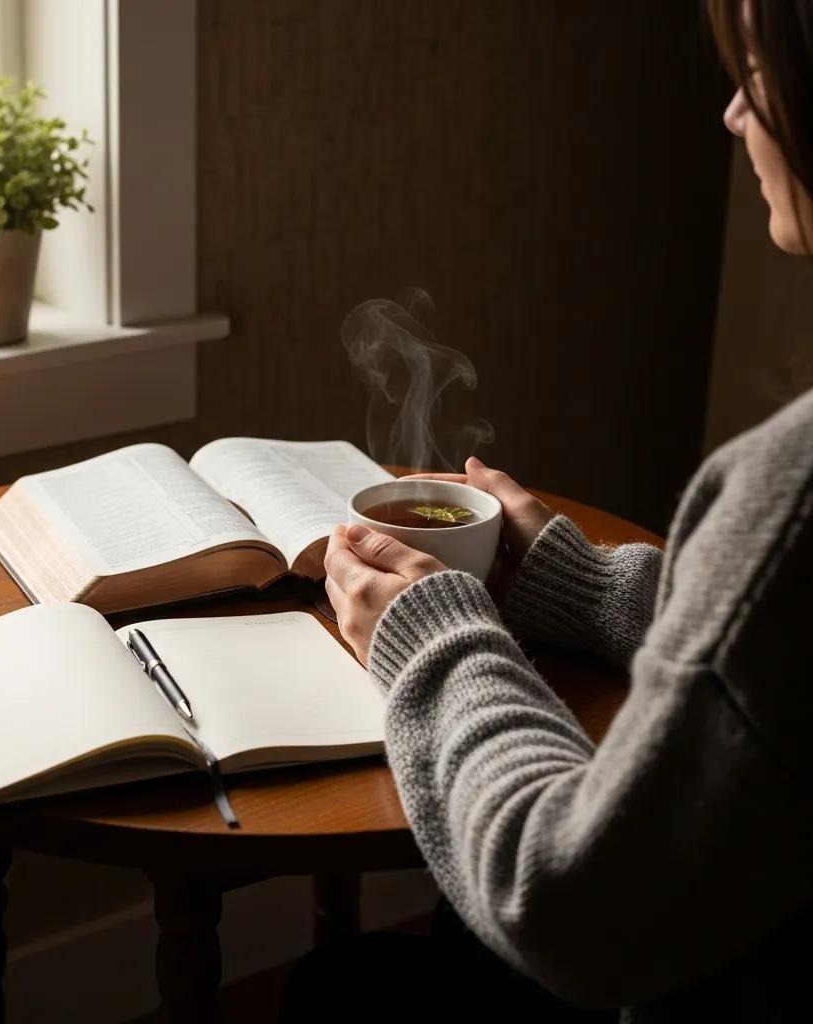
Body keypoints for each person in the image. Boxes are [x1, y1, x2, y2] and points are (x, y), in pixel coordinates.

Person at [283, 2, 813, 1021]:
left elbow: (568, 900)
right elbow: (782, 657)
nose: (732, 112)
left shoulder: (790, 489)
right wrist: (581, 586)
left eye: (756, 71)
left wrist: (437, 641)